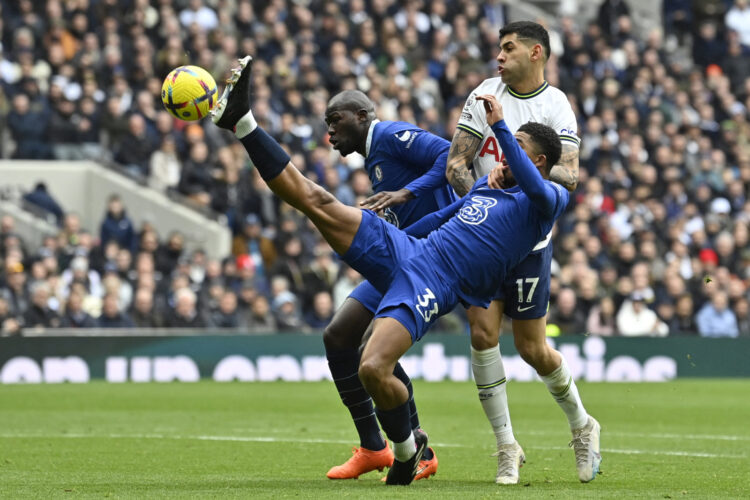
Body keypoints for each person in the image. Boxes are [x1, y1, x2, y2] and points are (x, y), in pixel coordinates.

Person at [211, 56, 568, 485]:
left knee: (372, 367)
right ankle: (243, 122)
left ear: (541, 161)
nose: (502, 160)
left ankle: (407, 450)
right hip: (410, 251)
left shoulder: (548, 199)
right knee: (319, 204)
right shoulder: (484, 187)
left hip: (437, 280)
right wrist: (381, 234)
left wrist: (501, 130)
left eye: (517, 154)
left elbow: (505, 173)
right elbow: (443, 218)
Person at [444, 21, 600, 484]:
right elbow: (457, 162)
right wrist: (483, 207)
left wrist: (520, 177)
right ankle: (506, 445)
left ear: (537, 53)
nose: (499, 56)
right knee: (481, 333)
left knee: (533, 349)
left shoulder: (556, 106)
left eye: (509, 48)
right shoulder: (484, 94)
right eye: (498, 48)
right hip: (485, 240)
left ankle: (582, 423)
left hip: (531, 243)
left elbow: (571, 175)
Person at [320, 89, 455, 481]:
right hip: (402, 258)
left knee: (371, 353)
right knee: (338, 335)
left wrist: (405, 192)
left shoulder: (392, 135)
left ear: (362, 116)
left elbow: (448, 154)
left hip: (430, 259)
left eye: (336, 121)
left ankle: (419, 449)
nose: (330, 132)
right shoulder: (374, 155)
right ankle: (374, 448)